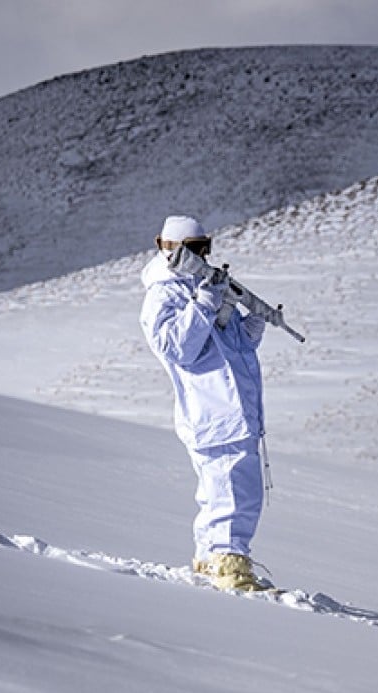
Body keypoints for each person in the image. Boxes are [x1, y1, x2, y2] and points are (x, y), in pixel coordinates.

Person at [140, 214, 272, 592]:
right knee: (235, 492)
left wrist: (251, 327)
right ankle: (230, 564)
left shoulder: (205, 286)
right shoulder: (164, 295)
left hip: (233, 409)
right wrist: (203, 304)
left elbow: (228, 349)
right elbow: (178, 348)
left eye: (205, 247)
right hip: (212, 410)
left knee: (221, 490)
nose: (202, 255)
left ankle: (208, 560)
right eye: (195, 248)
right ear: (169, 248)